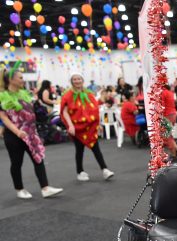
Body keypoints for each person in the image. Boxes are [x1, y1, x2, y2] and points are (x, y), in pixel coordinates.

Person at [0, 65, 63, 199]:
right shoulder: (2, 97)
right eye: (20, 78)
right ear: (11, 80)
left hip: (30, 133)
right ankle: (19, 189)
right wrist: (17, 132)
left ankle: (45, 188)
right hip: (14, 135)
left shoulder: (25, 94)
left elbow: (31, 112)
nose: (23, 80)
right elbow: (4, 119)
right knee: (16, 162)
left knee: (38, 158)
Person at [61, 72, 114, 182]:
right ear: (71, 81)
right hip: (76, 127)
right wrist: (70, 125)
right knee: (79, 149)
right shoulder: (67, 95)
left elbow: (94, 110)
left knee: (96, 148)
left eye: (79, 79)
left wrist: (98, 124)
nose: (77, 81)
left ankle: (105, 169)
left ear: (83, 80)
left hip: (89, 126)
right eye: (74, 79)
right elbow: (64, 112)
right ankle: (80, 172)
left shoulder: (88, 94)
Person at [161, 85, 177, 160]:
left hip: (167, 115)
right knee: (169, 134)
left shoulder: (162, 93)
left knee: (167, 136)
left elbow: (162, 106)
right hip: (173, 114)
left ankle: (173, 154)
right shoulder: (170, 92)